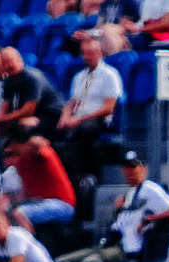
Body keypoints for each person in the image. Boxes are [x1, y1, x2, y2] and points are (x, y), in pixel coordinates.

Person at [59, 149, 169, 262]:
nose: (129, 171)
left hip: (126, 250)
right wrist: (117, 211)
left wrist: (150, 219)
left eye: (133, 166)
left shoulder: (150, 189)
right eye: (126, 167)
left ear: (143, 168)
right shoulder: (129, 194)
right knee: (62, 261)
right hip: (108, 245)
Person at [56, 31, 121, 174]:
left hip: (98, 119)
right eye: (84, 53)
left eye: (90, 52)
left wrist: (78, 120)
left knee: (85, 130)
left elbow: (109, 108)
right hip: (79, 117)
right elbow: (72, 102)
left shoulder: (110, 75)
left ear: (100, 52)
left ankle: (90, 172)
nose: (87, 56)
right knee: (55, 128)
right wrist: (65, 117)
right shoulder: (79, 77)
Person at [1, 133, 74, 227]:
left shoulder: (37, 153)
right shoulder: (22, 165)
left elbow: (41, 150)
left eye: (11, 154)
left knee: (19, 214)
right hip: (41, 203)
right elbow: (23, 196)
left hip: (62, 205)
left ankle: (28, 241)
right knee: (3, 213)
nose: (7, 161)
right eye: (6, 156)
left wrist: (34, 142)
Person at [0, 47, 63, 138]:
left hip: (52, 116)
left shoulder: (32, 78)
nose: (8, 66)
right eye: (4, 63)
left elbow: (27, 111)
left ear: (20, 60)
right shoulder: (8, 81)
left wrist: (0, 120)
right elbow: (5, 106)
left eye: (10, 61)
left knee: (22, 126)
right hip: (34, 116)